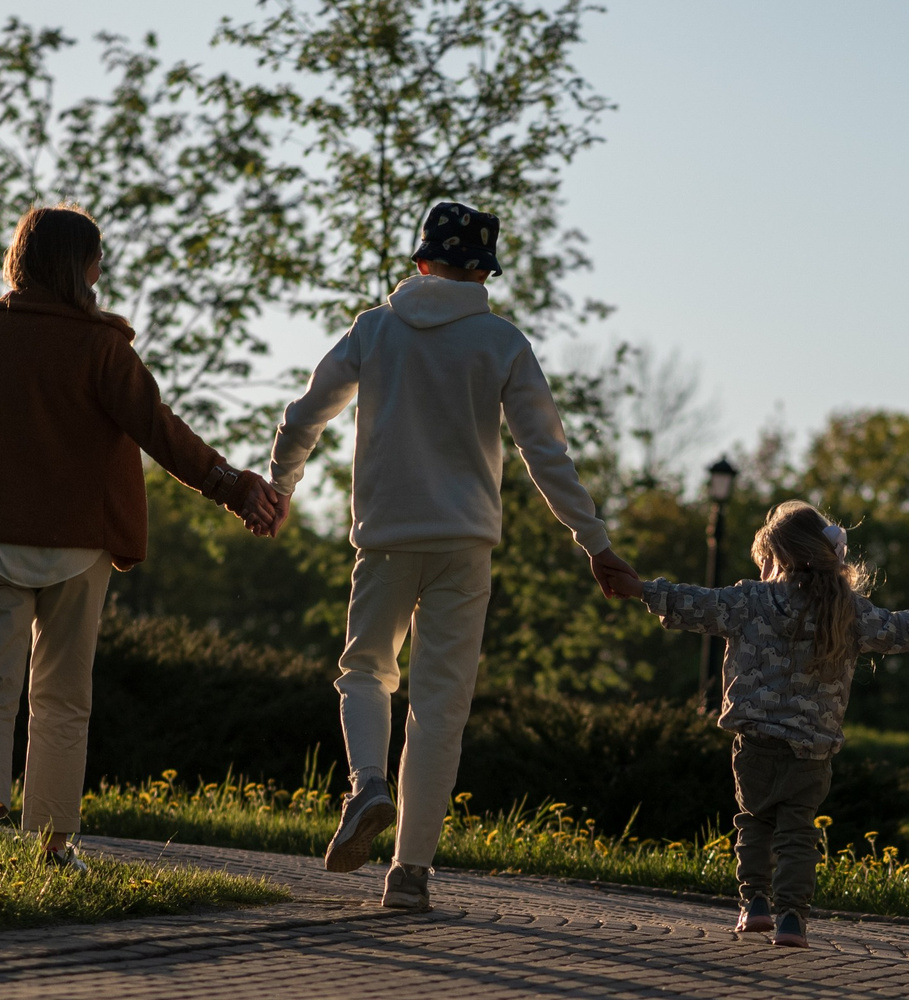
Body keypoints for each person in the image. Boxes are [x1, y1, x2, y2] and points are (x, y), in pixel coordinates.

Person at [270, 201, 638, 914]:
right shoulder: (502, 344)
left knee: (364, 670)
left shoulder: (375, 330)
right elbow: (546, 455)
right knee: (440, 705)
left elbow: (303, 414)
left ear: (418, 263)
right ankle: (410, 873)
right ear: (483, 273)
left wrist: (282, 486)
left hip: (384, 538)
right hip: (465, 544)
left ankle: (367, 782)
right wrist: (595, 542)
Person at [0, 204, 284, 874]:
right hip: (76, 546)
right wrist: (235, 488)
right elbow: (160, 429)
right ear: (82, 265)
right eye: (98, 258)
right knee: (62, 693)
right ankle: (56, 845)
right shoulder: (101, 347)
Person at [608, 501, 909, 949]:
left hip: (755, 740)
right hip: (812, 749)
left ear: (776, 555)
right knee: (798, 832)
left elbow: (694, 601)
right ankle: (792, 919)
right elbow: (906, 628)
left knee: (753, 821)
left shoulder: (750, 600)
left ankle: (754, 904)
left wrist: (640, 589)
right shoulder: (847, 610)